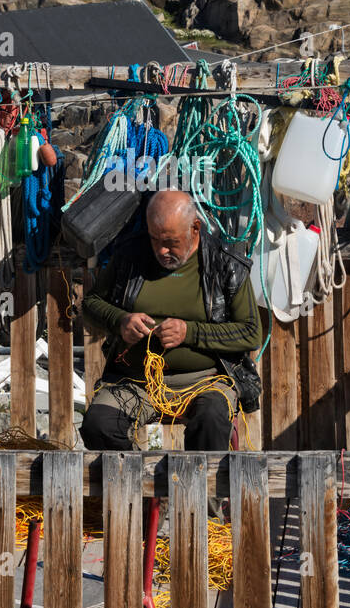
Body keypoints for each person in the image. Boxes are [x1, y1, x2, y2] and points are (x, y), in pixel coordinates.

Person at [80, 189, 261, 452]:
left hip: (206, 381)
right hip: (136, 381)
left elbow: (250, 332)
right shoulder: (130, 255)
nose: (162, 250)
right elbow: (90, 304)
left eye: (171, 242)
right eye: (155, 239)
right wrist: (120, 320)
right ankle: (135, 487)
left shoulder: (225, 264)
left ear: (195, 228)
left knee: (210, 419)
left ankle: (201, 493)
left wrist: (190, 332)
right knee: (99, 425)